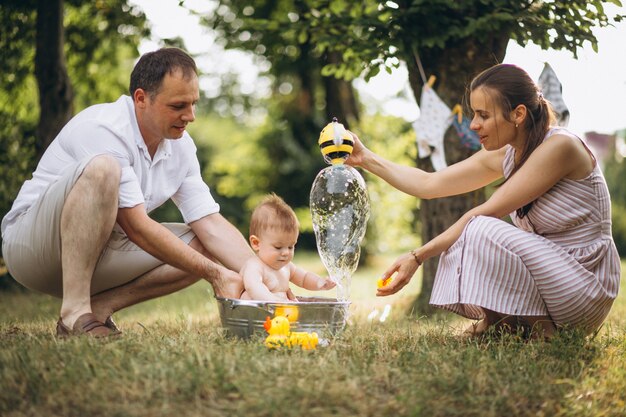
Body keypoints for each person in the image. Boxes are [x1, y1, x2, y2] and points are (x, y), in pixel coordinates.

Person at [346, 63, 620, 339]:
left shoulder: (561, 147)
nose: (474, 124)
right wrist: (366, 158)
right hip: (553, 281)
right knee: (471, 233)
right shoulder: (508, 154)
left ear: (518, 114)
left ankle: (543, 334)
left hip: (585, 287)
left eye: (483, 115)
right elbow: (428, 184)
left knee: (478, 228)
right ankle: (501, 325)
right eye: (474, 114)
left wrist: (417, 257)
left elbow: (486, 212)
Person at [1, 47, 255, 338]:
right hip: (33, 247)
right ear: (141, 98)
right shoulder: (103, 127)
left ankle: (98, 309)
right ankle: (74, 313)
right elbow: (136, 226)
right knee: (104, 169)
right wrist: (216, 274)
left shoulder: (181, 146)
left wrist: (262, 275)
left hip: (100, 249)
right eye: (178, 106)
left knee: (207, 246)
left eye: (193, 104)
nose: (190, 116)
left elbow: (210, 223)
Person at [239, 193, 335, 302]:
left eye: (290, 247)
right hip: (256, 314)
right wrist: (276, 302)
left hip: (280, 315)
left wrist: (320, 283)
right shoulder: (254, 266)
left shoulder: (287, 267)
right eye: (278, 247)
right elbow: (254, 287)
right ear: (256, 243)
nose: (286, 252)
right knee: (247, 296)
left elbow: (304, 278)